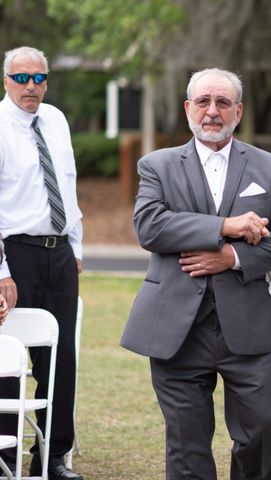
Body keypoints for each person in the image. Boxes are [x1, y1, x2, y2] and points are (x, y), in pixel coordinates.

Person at [120, 68, 271, 480]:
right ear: (188, 107)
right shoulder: (158, 165)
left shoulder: (269, 167)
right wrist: (226, 227)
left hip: (250, 325)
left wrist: (231, 258)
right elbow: (150, 227)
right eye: (203, 101)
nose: (212, 111)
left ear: (237, 110)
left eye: (222, 102)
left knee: (261, 431)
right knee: (187, 446)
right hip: (177, 329)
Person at [0, 46, 84, 480]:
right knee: (9, 359)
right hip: (14, 255)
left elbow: (66, 184)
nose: (30, 86)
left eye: (38, 78)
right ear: (6, 80)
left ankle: (50, 458)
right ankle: (5, 457)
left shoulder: (56, 120)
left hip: (60, 254)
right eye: (21, 78)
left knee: (60, 359)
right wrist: (1, 272)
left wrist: (78, 246)